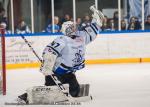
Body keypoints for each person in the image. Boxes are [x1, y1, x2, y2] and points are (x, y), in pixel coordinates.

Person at [17, 5, 104, 104]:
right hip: (56, 72)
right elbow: (49, 51)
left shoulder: (81, 37)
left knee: (74, 90)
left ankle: (61, 94)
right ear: (67, 29)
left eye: (74, 26)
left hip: (69, 72)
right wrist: (47, 66)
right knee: (50, 90)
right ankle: (26, 96)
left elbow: (92, 33)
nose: (75, 28)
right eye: (72, 27)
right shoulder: (63, 39)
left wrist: (96, 22)